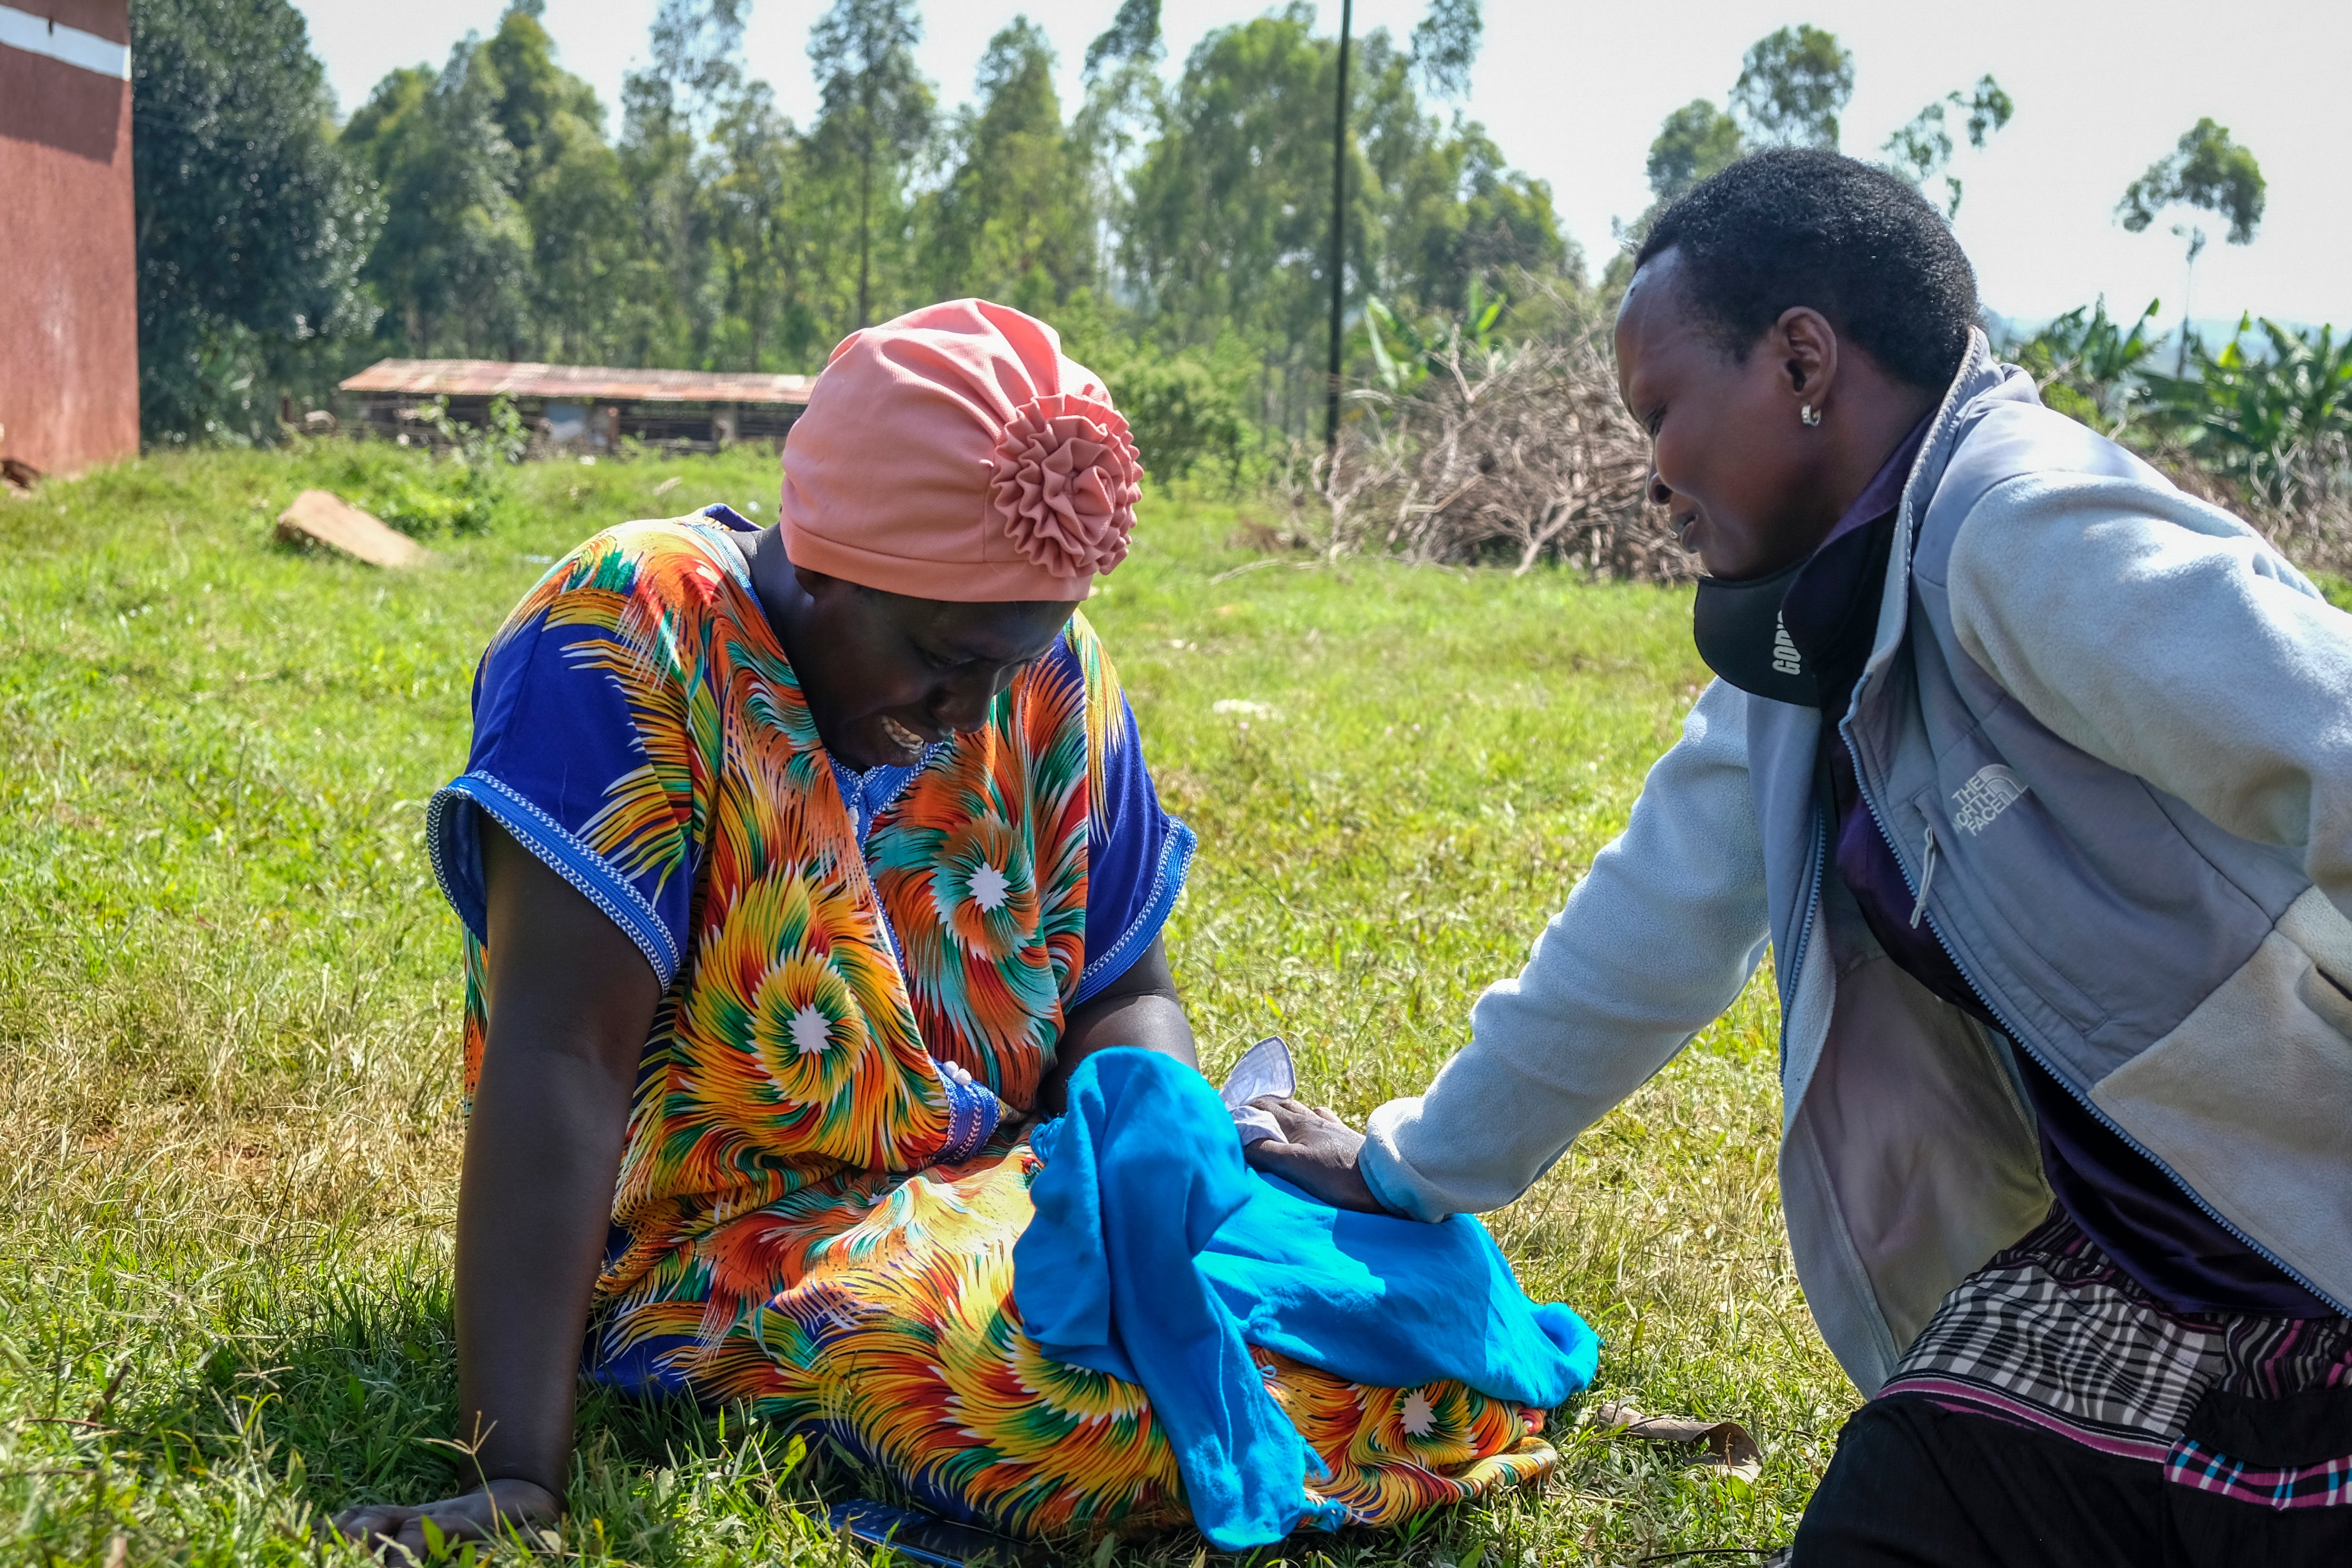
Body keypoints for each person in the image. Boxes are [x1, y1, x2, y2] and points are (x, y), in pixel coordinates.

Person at [1248, 151, 2352, 1565]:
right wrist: (1411, 1169)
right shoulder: (1810, 646)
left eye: (1660, 410)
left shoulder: (2021, 527)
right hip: (2144, 1265)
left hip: (2305, 1243)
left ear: (1802, 363)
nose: (1653, 475)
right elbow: (1651, 922)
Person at [330, 300, 1559, 1555]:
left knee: (1397, 1297)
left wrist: (1145, 1132)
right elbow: (563, 1056)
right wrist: (515, 1470)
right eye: (941, 658)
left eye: (1008, 669)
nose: (971, 715)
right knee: (1071, 1403)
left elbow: (1121, 987)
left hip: (1005, 1185)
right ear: (822, 560)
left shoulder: (1047, 672)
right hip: (733, 1237)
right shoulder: (637, 635)